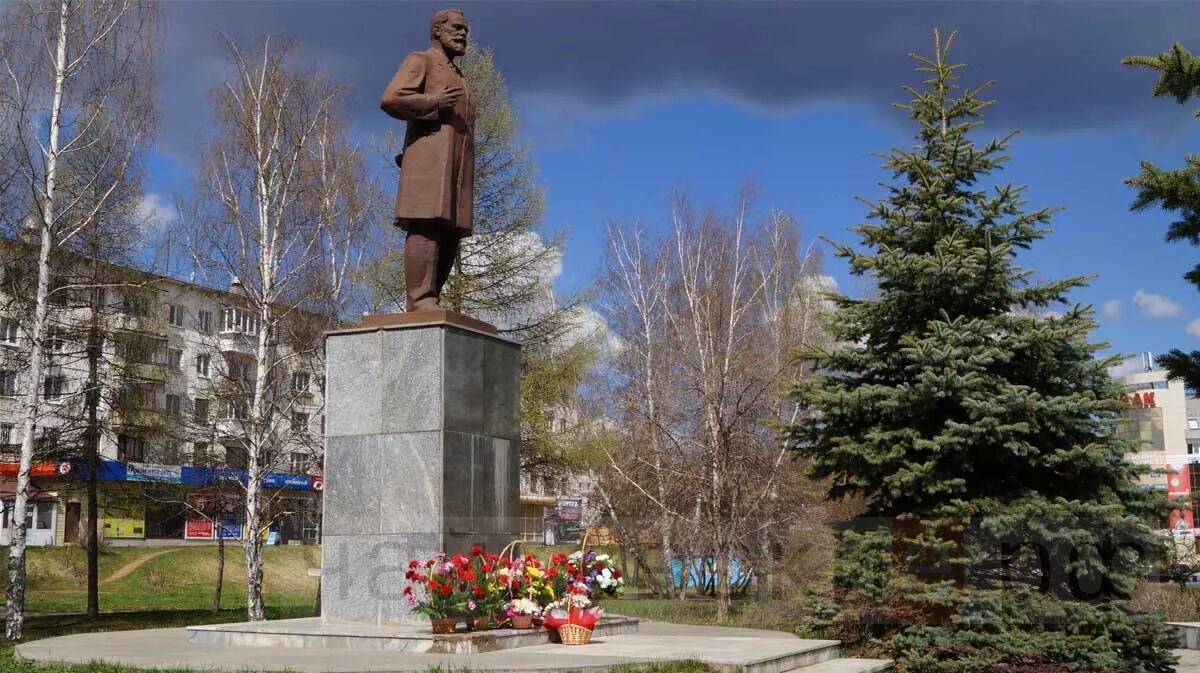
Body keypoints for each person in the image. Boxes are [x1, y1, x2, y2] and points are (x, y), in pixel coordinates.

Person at [380, 9, 475, 312]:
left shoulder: (458, 75)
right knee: (426, 225)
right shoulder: (420, 60)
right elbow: (392, 98)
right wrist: (433, 102)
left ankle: (432, 296)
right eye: (457, 28)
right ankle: (420, 300)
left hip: (458, 166)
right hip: (430, 164)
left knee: (451, 231)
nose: (463, 35)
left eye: (466, 31)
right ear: (437, 30)